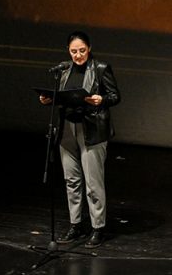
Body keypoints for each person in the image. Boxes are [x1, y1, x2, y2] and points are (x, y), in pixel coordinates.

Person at [39, 31, 121, 247]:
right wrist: (50, 99)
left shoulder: (100, 68)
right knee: (71, 180)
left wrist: (102, 99)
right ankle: (75, 225)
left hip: (91, 130)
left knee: (93, 182)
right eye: (74, 51)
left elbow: (115, 96)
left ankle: (98, 228)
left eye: (82, 50)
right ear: (68, 51)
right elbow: (64, 96)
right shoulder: (64, 69)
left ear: (89, 48)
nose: (78, 55)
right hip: (67, 129)